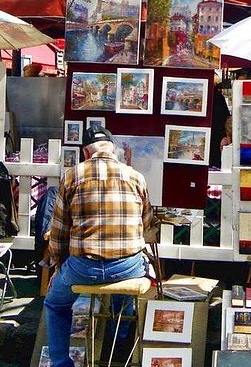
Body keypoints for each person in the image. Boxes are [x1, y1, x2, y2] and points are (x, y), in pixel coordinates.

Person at [44, 125, 157, 367]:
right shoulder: (136, 177)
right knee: (123, 300)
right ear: (113, 149)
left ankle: (61, 363)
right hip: (127, 266)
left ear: (86, 152)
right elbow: (146, 223)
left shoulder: (72, 176)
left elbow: (59, 233)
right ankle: (118, 346)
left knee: (55, 304)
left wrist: (57, 265)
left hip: (84, 266)